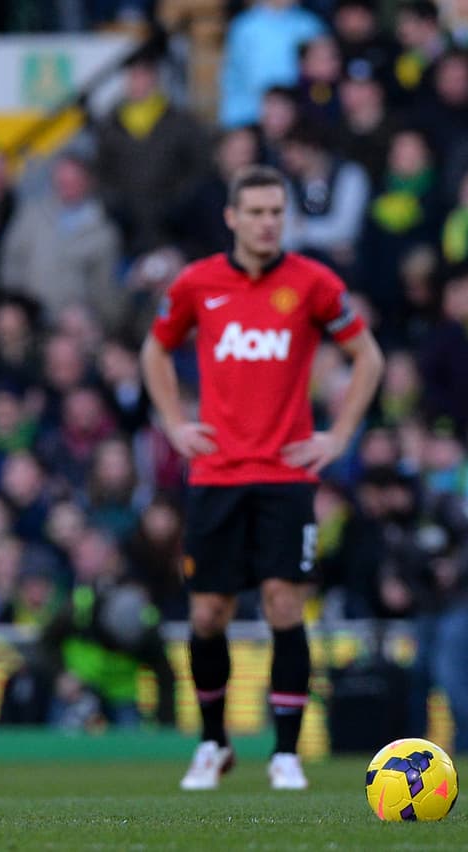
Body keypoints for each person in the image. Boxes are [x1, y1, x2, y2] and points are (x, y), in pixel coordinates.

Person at [140, 164, 384, 791]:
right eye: (255, 212)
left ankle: (285, 754)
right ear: (232, 218)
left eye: (276, 211)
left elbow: (368, 357)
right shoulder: (198, 283)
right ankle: (215, 742)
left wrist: (339, 435)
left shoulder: (313, 283)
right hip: (217, 473)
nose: (267, 222)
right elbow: (154, 348)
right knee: (207, 614)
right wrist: (173, 423)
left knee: (283, 603)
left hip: (283, 473)